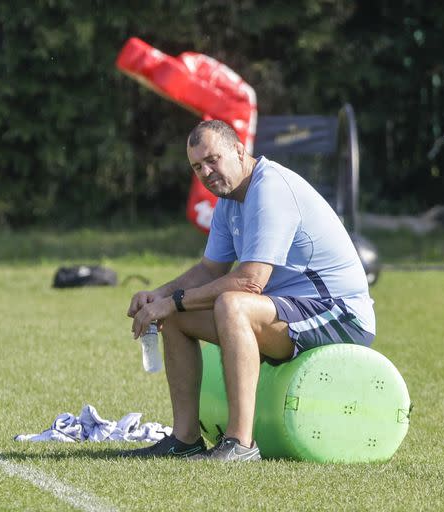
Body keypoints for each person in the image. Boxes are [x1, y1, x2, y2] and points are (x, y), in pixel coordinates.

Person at [120, 119, 375, 462]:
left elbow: (249, 281)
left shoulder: (269, 189)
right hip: (291, 310)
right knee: (180, 318)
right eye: (197, 167)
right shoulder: (229, 199)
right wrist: (160, 296)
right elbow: (209, 269)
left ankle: (240, 444)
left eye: (213, 159)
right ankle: (185, 440)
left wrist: (174, 301)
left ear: (240, 150)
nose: (207, 172)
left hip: (340, 313)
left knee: (233, 304)